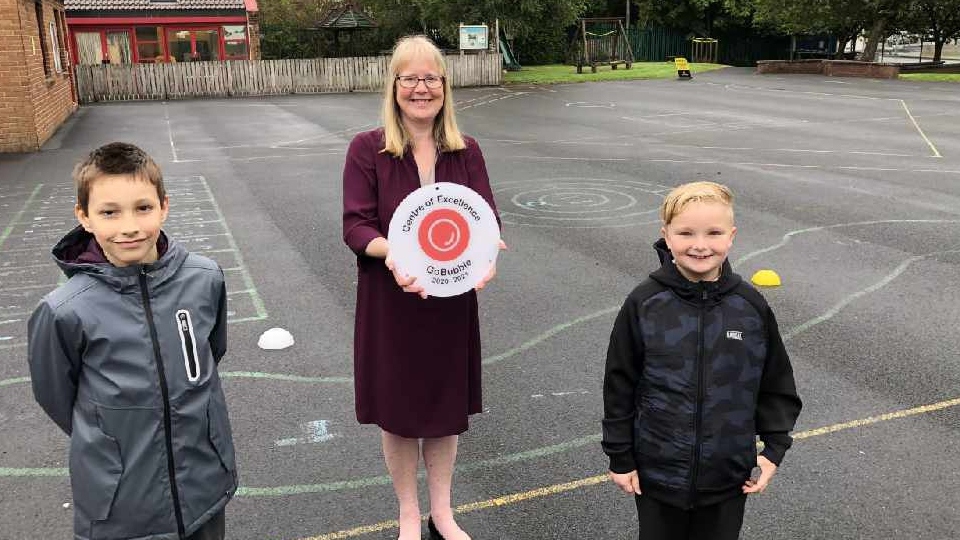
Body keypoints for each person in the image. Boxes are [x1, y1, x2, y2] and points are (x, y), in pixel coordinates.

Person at [27, 142, 237, 540]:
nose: (129, 227)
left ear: (164, 206)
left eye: (143, 208)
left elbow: (212, 352)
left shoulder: (205, 278)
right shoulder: (64, 311)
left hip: (204, 487)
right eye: (109, 212)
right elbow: (57, 398)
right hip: (121, 505)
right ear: (84, 218)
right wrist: (112, 438)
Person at [342, 35, 503, 540]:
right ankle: (408, 514)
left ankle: (443, 512)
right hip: (392, 303)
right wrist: (395, 254)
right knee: (399, 412)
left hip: (449, 305)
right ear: (392, 86)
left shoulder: (466, 150)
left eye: (431, 77)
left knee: (442, 410)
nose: (420, 88)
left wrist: (489, 256)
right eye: (409, 77)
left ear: (445, 86)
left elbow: (486, 220)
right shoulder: (367, 149)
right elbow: (355, 226)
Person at [601, 181, 802, 540]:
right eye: (686, 233)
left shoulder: (750, 307)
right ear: (666, 235)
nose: (700, 244)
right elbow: (620, 383)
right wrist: (620, 455)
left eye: (713, 232)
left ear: (732, 236)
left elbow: (775, 380)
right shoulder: (645, 303)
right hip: (657, 475)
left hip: (727, 478)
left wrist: (774, 447)